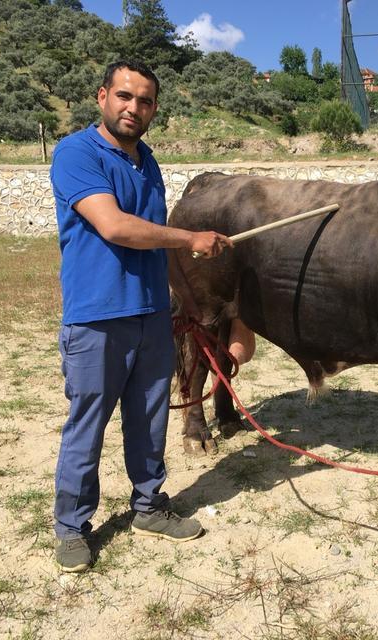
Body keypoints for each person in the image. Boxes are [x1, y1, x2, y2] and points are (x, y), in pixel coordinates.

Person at [49, 59, 232, 573]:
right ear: (102, 96)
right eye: (125, 96)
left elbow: (154, 242)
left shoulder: (146, 161)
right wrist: (192, 238)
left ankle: (149, 506)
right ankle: (71, 527)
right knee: (87, 425)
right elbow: (114, 227)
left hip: (153, 314)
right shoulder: (75, 152)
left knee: (150, 421)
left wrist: (185, 301)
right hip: (97, 319)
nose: (135, 108)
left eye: (146, 101)